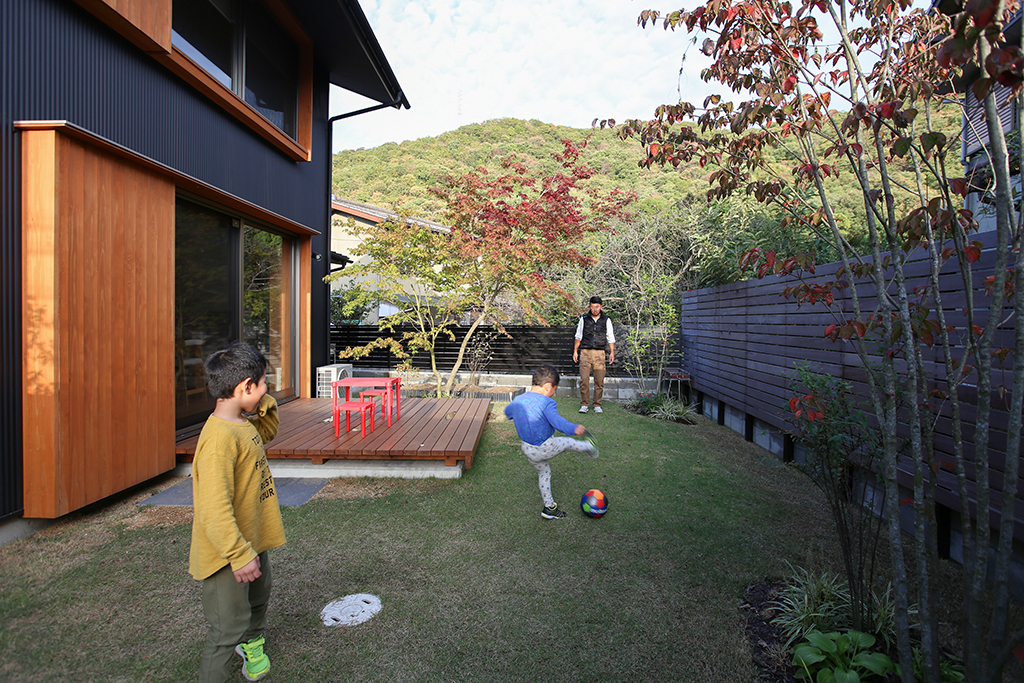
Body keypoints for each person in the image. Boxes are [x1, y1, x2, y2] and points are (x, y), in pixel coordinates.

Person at [188, 342, 284, 683]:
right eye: (263, 385)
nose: (266, 390)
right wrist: (239, 555)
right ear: (244, 387)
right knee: (227, 629)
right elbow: (212, 510)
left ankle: (253, 645)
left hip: (252, 538)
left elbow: (266, 433)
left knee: (258, 600)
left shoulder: (241, 423)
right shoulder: (218, 441)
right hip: (227, 554)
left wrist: (264, 404)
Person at [505, 364, 598, 519]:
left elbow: (508, 412)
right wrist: (573, 428)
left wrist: (513, 415)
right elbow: (556, 421)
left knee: (544, 473)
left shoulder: (518, 400)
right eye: (555, 388)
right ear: (548, 387)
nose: (554, 393)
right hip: (545, 446)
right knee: (568, 443)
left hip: (528, 449)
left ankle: (549, 508)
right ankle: (589, 447)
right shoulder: (546, 402)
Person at [572, 295, 615, 413]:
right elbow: (578, 336)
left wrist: (612, 352)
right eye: (592, 307)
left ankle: (597, 404)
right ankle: (585, 404)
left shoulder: (606, 320)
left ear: (600, 307)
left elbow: (610, 337)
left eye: (597, 307)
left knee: (599, 380)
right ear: (589, 307)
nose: (595, 309)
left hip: (600, 354)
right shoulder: (584, 319)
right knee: (584, 379)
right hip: (585, 352)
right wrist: (575, 351)